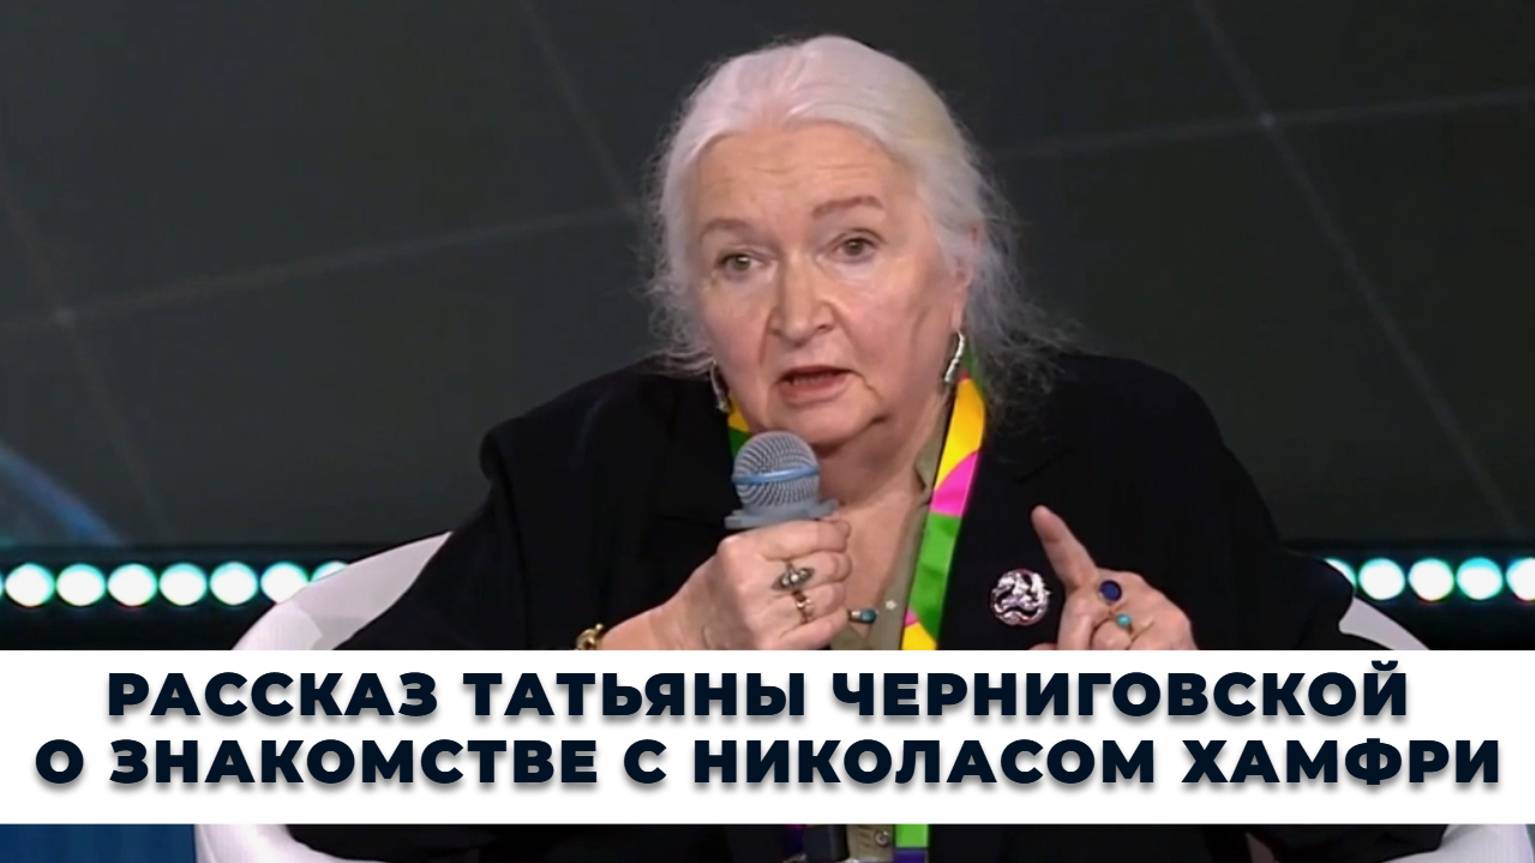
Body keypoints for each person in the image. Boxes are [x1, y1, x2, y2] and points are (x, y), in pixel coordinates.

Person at [291, 35, 1442, 863]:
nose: (798, 313)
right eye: (739, 262)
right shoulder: (585, 471)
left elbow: (1415, 775)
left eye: (851, 245)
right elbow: (319, 770)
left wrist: (1200, 716)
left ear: (958, 264)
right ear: (691, 300)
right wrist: (658, 652)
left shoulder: (1122, 448)